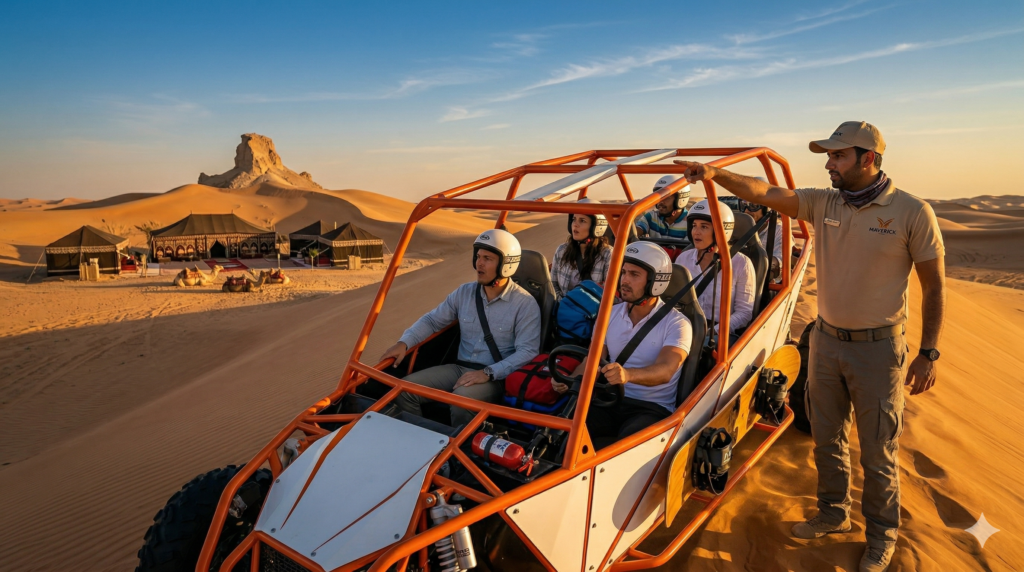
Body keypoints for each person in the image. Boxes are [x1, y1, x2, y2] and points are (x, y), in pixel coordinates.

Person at [674, 121, 945, 572]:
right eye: (829, 155)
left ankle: (881, 536)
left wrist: (928, 352)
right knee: (826, 436)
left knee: (879, 449)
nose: (828, 163)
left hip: (879, 350)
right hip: (825, 341)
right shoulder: (824, 201)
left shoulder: (912, 212)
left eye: (838, 156)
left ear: (868, 159)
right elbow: (763, 192)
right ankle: (833, 513)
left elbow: (935, 287)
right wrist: (712, 174)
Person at [382, 229, 542, 427]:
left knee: (461, 400)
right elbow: (433, 320)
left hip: (496, 377)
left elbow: (528, 351)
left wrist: (488, 373)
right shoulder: (464, 292)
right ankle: (427, 443)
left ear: (506, 265)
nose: (479, 263)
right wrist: (405, 342)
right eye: (478, 256)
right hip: (458, 368)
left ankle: (461, 451)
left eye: (487, 259)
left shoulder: (524, 304)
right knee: (403, 391)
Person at [553, 241, 691, 448]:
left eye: (634, 275)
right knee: (565, 436)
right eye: (623, 272)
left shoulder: (677, 323)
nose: (624, 281)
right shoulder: (609, 313)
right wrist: (570, 380)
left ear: (656, 282)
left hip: (652, 408)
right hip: (610, 400)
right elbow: (594, 358)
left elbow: (666, 370)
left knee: (622, 449)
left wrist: (627, 375)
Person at [674, 200, 756, 336]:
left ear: (722, 230)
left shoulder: (741, 263)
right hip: (685, 328)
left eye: (704, 227)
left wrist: (713, 332)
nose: (696, 232)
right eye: (694, 226)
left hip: (720, 334)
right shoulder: (683, 259)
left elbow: (744, 313)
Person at [551, 197, 613, 297]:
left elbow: (609, 293)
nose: (575, 224)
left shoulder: (608, 254)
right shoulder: (562, 250)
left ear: (596, 226)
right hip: (563, 308)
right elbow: (553, 284)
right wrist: (563, 304)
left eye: (582, 220)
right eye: (574, 219)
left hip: (594, 311)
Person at [635, 175, 691, 241]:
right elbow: (636, 231)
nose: (660, 202)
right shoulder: (651, 217)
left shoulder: (691, 223)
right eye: (658, 197)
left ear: (681, 198)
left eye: (666, 197)